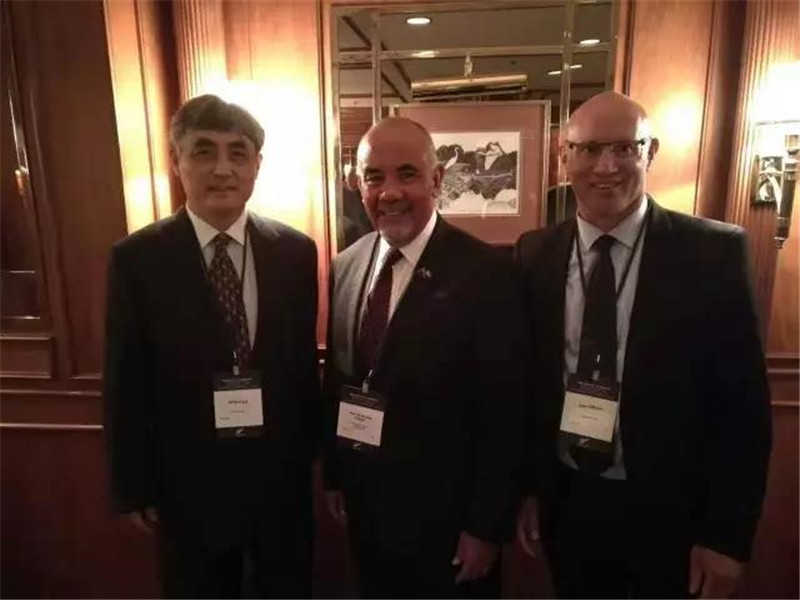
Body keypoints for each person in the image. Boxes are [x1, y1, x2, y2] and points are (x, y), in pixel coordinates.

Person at [514, 91, 772, 599]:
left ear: (649, 152)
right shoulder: (535, 253)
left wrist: (726, 537)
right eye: (589, 149)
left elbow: (743, 409)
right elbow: (528, 387)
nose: (605, 166)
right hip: (570, 502)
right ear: (564, 157)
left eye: (624, 148)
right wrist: (527, 489)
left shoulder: (713, 253)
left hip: (672, 515)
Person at [103, 94, 320, 598]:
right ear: (176, 161)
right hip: (187, 484)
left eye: (237, 153)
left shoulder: (295, 251)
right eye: (204, 151)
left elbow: (301, 366)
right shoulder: (138, 259)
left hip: (280, 481)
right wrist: (133, 485)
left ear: (257, 165)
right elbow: (124, 378)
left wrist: (315, 461)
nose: (223, 169)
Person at [322, 117, 529, 599]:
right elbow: (340, 380)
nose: (390, 192)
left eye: (407, 174)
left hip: (450, 527)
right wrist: (336, 475)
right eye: (374, 177)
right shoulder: (346, 264)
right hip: (367, 509)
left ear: (437, 180)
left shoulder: (488, 274)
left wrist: (485, 527)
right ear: (358, 185)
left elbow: (505, 413)